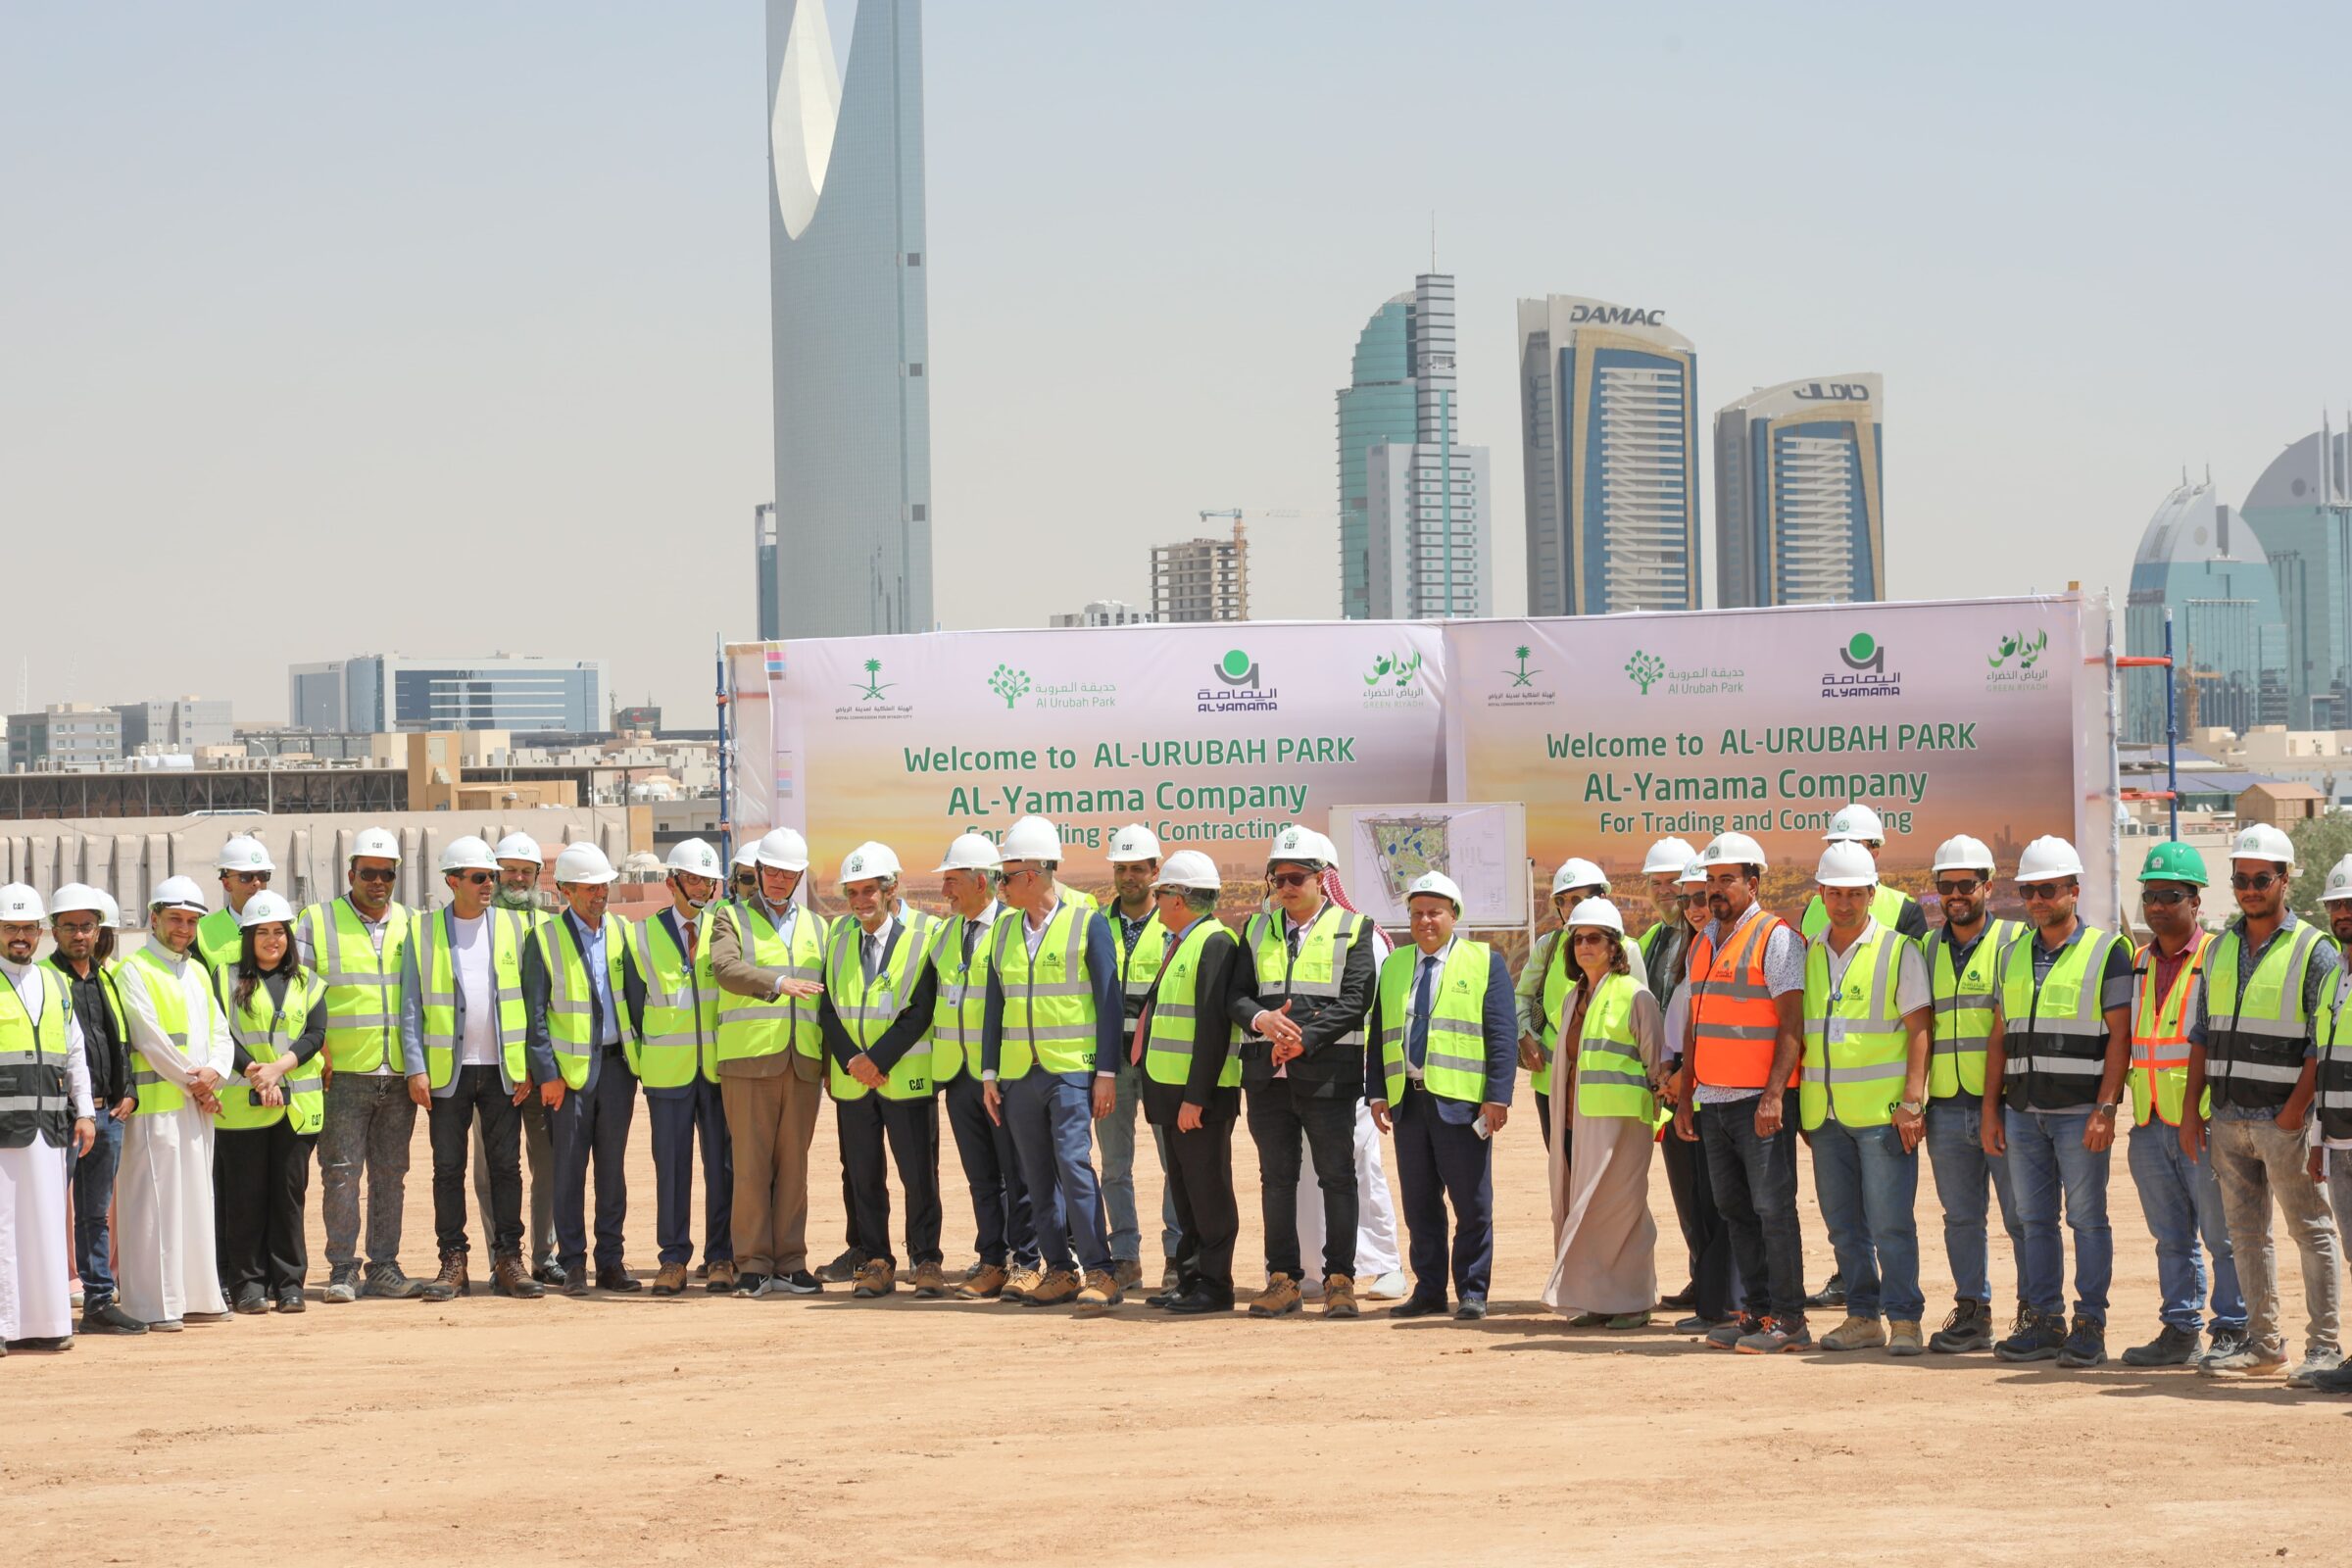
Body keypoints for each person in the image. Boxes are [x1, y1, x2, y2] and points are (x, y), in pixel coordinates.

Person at [2182, 823, 2342, 1384]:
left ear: (2284, 879)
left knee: (2311, 1230)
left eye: (2261, 879)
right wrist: (2191, 1111)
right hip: (2227, 1119)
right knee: (2246, 1236)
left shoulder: (2314, 950)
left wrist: (2295, 1111)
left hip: (2283, 1123)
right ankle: (2263, 1343)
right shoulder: (2221, 948)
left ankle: (2323, 1346)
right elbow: (2201, 1033)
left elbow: (2321, 1040)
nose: (2250, 889)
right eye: (2241, 879)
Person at [1981, 835, 2133, 1369]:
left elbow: (2121, 1036)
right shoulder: (2011, 953)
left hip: (2079, 1114)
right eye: (2028, 890)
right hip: (2023, 1112)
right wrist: (1990, 1110)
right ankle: (2044, 1320)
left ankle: (2089, 1323)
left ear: (2073, 889)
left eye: (2047, 889)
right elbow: (2000, 1035)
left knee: (2088, 1220)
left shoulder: (2108, 951)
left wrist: (2106, 1107)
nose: (2037, 899)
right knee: (2034, 1220)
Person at [1225, 825, 1377, 1317]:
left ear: (1322, 879)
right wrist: (1261, 1019)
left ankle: (1339, 1281)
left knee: (1337, 1177)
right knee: (1277, 1179)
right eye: (1278, 878)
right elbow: (1236, 996)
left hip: (1328, 1076)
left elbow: (1356, 1001)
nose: (1286, 887)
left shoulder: (1355, 929)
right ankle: (1283, 1279)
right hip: (1267, 1078)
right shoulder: (1255, 929)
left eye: (1297, 877)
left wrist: (1302, 1039)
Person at [1672, 832, 1811, 1354]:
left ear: (1752, 883)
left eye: (1726, 879)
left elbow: (1791, 1023)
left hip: (1759, 1102)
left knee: (1774, 1209)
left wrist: (1775, 1095)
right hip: (1714, 1101)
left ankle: (1791, 1318)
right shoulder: (1703, 942)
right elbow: (1695, 1024)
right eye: (1709, 880)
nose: (1715, 890)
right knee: (1736, 1211)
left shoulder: (1775, 938)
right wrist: (1687, 1095)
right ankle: (1756, 1312)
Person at [980, 814, 1125, 1313]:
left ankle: (1100, 1270)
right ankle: (1060, 1270)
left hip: (1070, 1071)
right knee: (1036, 1174)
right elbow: (993, 1007)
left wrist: (1105, 1073)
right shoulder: (1002, 932)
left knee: (1074, 1165)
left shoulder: (1088, 923)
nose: (999, 885)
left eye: (1005, 875)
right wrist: (989, 1073)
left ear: (1034, 874)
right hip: (1019, 1074)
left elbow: (1110, 1003)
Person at [1800, 843, 1935, 1356]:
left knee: (1891, 1223)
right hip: (1827, 1114)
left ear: (1872, 895)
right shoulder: (1810, 953)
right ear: (1822, 894)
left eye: (1855, 894)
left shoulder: (1898, 950)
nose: (1844, 903)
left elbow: (1919, 1029)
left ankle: (1904, 1319)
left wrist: (1912, 1101)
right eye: (1835, 893)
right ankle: (1862, 1316)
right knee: (1843, 1226)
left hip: (1883, 1117)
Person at [398, 837, 542, 1302]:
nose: (489, 886)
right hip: (447, 1074)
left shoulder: (512, 929)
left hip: (502, 1070)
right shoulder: (423, 931)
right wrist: (416, 1067)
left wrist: (525, 1065)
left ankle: (508, 1260)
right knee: (447, 1169)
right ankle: (453, 1261)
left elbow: (527, 999)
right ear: (451, 881)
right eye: (480, 878)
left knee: (507, 1168)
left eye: (492, 878)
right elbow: (411, 1005)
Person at [2119, 842, 2245, 1367]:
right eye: (2150, 895)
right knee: (2171, 1237)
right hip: (2148, 1121)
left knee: (2225, 1235)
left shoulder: (2216, 958)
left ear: (2196, 900)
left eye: (2171, 895)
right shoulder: (2139, 962)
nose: (2157, 906)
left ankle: (2236, 1328)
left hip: (2204, 1123)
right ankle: (2179, 1329)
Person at [1367, 872, 1514, 1320]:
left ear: (1454, 915)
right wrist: (1376, 1092)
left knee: (1471, 1203)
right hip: (1408, 1102)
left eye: (1434, 912)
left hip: (1462, 1104)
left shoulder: (1484, 961)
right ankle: (1429, 1290)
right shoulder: (1395, 965)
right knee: (1419, 1204)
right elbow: (1380, 1033)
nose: (1424, 920)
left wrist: (1498, 1097)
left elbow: (1501, 1035)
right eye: (1416, 913)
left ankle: (1472, 1291)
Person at [297, 825, 423, 1303]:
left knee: (391, 1172)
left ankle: (385, 1265)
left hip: (398, 1072)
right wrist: (319, 1048)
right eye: (368, 873)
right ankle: (343, 1268)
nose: (377, 882)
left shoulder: (413, 923)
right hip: (342, 1073)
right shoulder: (316, 921)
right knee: (341, 1172)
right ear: (350, 873)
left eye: (386, 874)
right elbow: (301, 993)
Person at [817, 841, 946, 1299]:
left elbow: (921, 1009)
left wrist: (879, 1059)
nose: (859, 902)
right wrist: (854, 1060)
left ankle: (926, 1258)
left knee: (918, 1175)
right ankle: (876, 1260)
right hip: (855, 1083)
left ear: (890, 890)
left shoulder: (921, 939)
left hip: (904, 1078)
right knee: (864, 1175)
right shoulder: (837, 939)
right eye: (852, 893)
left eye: (869, 891)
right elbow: (828, 1008)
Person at [1918, 834, 2028, 1354]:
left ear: (1988, 886)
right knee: (1961, 1218)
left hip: (2003, 1106)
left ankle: (2035, 1311)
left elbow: (2010, 1026)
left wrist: (1996, 1105)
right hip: (1945, 1106)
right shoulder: (1925, 948)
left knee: (2021, 1215)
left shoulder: (2014, 943)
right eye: (1947, 886)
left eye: (1966, 884)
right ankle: (1972, 1311)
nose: (1956, 894)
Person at [709, 826, 829, 1297]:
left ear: (800, 876)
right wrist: (777, 984)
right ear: (757, 873)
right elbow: (725, 968)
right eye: (772, 871)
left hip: (803, 1064)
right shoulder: (729, 918)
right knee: (752, 1166)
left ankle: (792, 1262)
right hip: (749, 1062)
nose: (779, 880)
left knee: (794, 1167)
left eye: (789, 873)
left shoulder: (818, 927)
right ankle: (754, 1262)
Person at [115, 875, 233, 1330]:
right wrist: (198, 1083)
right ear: (154, 918)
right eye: (175, 919)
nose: (183, 929)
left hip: (195, 1106)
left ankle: (198, 1297)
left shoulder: (198, 971)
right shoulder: (135, 969)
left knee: (195, 1203)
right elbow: (151, 1040)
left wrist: (217, 1073)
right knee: (155, 1208)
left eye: (191, 921)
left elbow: (221, 1033)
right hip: (156, 1108)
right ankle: (153, 1305)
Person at [1542, 898, 1664, 1330]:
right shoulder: (1573, 998)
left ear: (1616, 947)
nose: (1584, 946)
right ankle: (1598, 1299)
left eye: (1595, 938)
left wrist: (1659, 1120)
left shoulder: (1635, 996)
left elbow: (1657, 1066)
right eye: (1578, 939)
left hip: (1625, 1126)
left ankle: (1634, 1300)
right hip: (1579, 1123)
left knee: (1622, 1213)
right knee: (1585, 1209)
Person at [622, 838, 734, 1296]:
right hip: (668, 1074)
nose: (703, 888)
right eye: (694, 879)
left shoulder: (727, 929)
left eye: (709, 880)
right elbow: (632, 1005)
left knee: (722, 1167)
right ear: (672, 883)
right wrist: (644, 1064)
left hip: (718, 1072)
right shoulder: (642, 935)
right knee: (671, 1168)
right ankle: (672, 1259)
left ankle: (721, 1256)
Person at [525, 842, 638, 1295]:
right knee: (568, 1172)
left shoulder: (623, 932)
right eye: (589, 888)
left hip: (616, 1071)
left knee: (613, 1172)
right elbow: (535, 1014)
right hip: (568, 1079)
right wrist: (547, 1075)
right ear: (566, 891)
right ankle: (573, 1263)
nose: (598, 895)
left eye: (603, 886)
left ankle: (611, 1261)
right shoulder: (545, 939)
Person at [929, 833, 1037, 1299]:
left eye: (952, 881)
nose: (945, 891)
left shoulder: (1013, 929)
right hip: (959, 1074)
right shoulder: (946, 933)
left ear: (979, 882)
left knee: (1019, 1174)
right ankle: (992, 1258)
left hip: (1004, 1073)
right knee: (980, 1178)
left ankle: (1026, 1260)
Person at [210, 889, 327, 1313]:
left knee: (288, 1197)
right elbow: (220, 1033)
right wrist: (258, 1075)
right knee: (244, 1199)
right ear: (248, 936)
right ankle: (248, 1285)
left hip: (294, 1111)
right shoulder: (223, 978)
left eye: (280, 931)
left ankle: (290, 1284)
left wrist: (277, 1069)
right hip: (242, 1107)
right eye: (263, 932)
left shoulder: (307, 981)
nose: (273, 939)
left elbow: (315, 1034)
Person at [1136, 852, 1244, 1314]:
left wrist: (1195, 1098)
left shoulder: (1214, 942)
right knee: (1185, 1194)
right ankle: (1190, 1277)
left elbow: (1213, 1029)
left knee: (1208, 1193)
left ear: (1178, 898)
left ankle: (1215, 1285)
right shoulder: (1180, 941)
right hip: (1170, 1093)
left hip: (1198, 1099)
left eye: (1161, 893)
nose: (1156, 899)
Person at [0, 884, 97, 1353]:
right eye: (10, 928)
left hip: (51, 1127)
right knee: (2, 1228)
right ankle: (4, 1324)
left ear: (40, 932)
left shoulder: (55, 983)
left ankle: (48, 1322)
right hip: (3, 1130)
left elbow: (74, 1052)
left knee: (45, 1225)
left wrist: (87, 1112)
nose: (20, 936)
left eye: (27, 928)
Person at [48, 883, 144, 1336]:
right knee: (46, 1211)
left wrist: (129, 1090)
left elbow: (118, 1039)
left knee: (94, 1213)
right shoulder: (48, 980)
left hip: (109, 1115)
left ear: (98, 929)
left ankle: (99, 1301)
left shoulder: (106, 977)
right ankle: (43, 1301)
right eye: (70, 927)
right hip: (63, 1118)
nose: (79, 935)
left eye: (87, 926)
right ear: (54, 931)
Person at [1655, 854, 1740, 1332]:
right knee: (1698, 1207)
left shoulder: (1729, 951)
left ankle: (1725, 1304)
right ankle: (1710, 1300)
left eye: (1702, 897)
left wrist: (1684, 1077)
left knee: (1724, 1207)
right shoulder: (1689, 956)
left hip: (1718, 1094)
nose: (1695, 907)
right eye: (1687, 899)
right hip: (1684, 1096)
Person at [1517, 858, 1647, 1152]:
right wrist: (1524, 1035)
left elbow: (1641, 1020)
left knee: (1605, 1181)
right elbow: (1521, 996)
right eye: (1562, 900)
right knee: (1563, 1172)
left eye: (1577, 898)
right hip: (1552, 1084)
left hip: (1608, 1090)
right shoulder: (1548, 947)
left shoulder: (1626, 949)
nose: (1568, 907)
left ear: (1601, 897)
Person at [1099, 823, 1180, 1292]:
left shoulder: (1173, 923)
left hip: (1160, 1060)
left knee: (1175, 1163)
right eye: (1121, 868)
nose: (1129, 877)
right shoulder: (1097, 923)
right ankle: (1125, 1255)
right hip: (1110, 1064)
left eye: (1137, 868)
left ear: (1155, 870)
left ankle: (1175, 1254)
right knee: (1113, 1163)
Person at [484, 829, 561, 1287]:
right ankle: (501, 1257)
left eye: (525, 872)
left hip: (543, 1069)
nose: (516, 878)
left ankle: (543, 1255)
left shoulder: (551, 926)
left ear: (538, 876)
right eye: (508, 870)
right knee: (491, 1170)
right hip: (492, 1070)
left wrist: (541, 1065)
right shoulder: (476, 923)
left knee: (546, 1165)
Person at [2304, 855, 2352, 1394]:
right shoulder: (2333, 978)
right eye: (2336, 904)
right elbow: (2325, 1060)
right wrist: (2319, 1142)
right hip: (2338, 1138)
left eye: (2349, 904)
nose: (2342, 912)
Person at [1797, 805, 1930, 942]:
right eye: (1836, 842)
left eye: (1854, 843)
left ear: (1875, 851)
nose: (1844, 848)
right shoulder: (1811, 909)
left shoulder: (1904, 911)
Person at [195, 835, 275, 972]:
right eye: (245, 877)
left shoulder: (290, 927)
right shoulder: (200, 931)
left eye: (262, 876)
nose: (256, 883)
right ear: (226, 884)